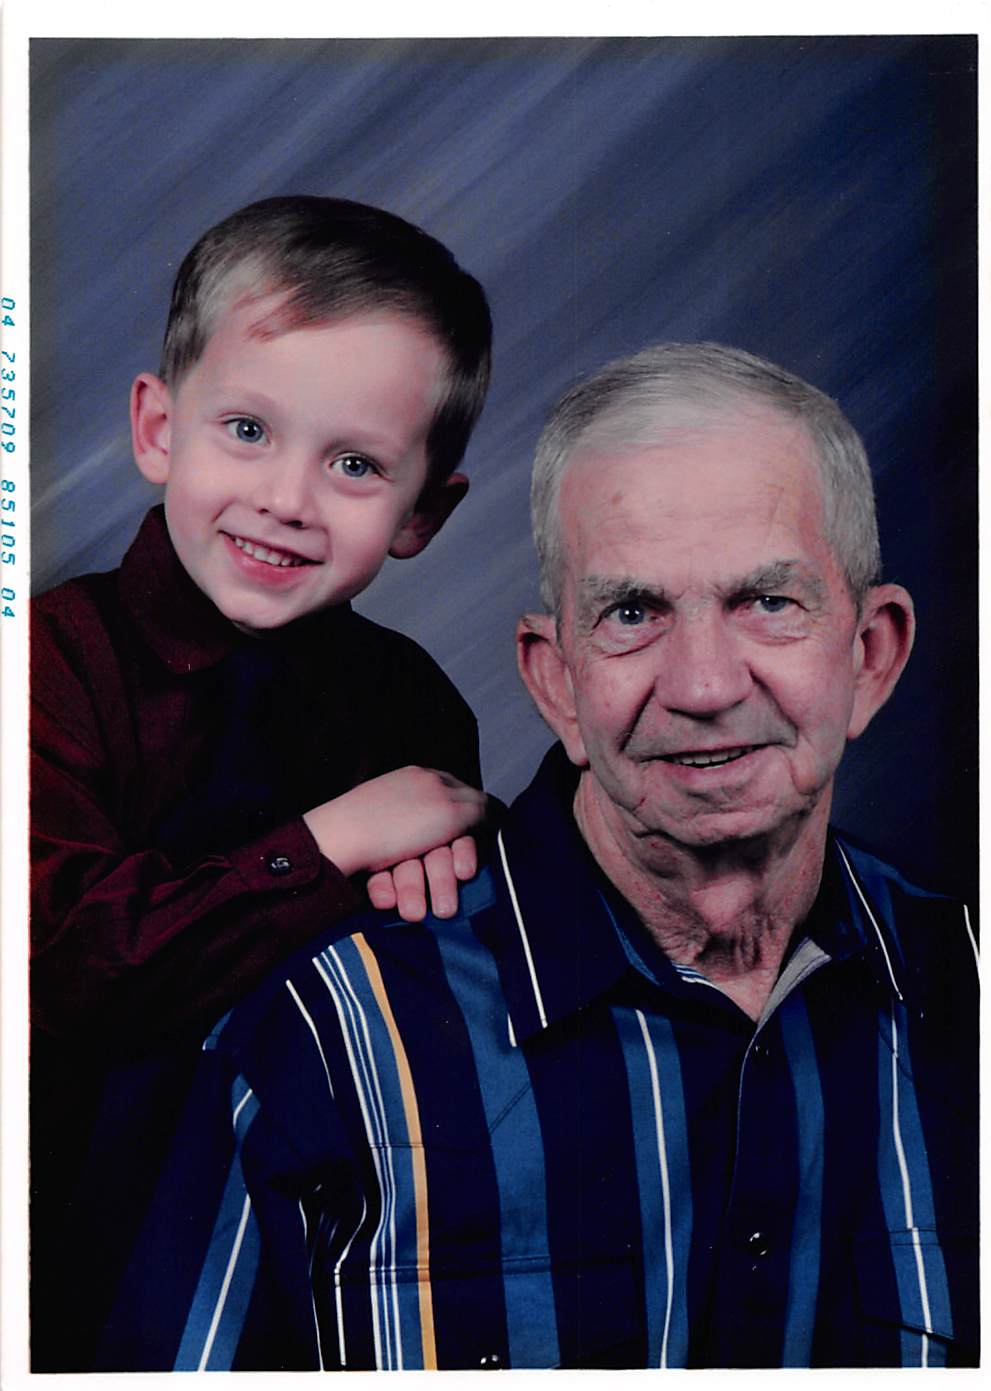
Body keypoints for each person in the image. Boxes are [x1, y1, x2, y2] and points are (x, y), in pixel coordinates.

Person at [98, 343, 978, 1370]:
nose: (702, 684)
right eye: (632, 613)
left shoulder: (966, 984)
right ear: (554, 680)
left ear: (871, 655)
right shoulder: (321, 1040)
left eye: (766, 602)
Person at [29, 195, 494, 1368]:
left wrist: (436, 871)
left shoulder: (415, 711)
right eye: (247, 429)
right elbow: (64, 966)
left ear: (423, 514)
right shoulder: (44, 664)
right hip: (40, 1251)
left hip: (294, 1259)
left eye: (354, 463)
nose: (287, 497)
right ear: (156, 428)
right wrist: (329, 844)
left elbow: (423, 996)